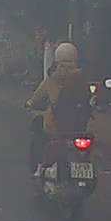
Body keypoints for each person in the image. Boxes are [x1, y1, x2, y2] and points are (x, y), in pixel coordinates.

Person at [25, 41, 90, 176]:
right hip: (80, 126)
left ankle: (39, 168)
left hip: (55, 126)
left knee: (38, 130)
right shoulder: (82, 77)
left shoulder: (53, 77)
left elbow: (38, 96)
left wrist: (30, 103)